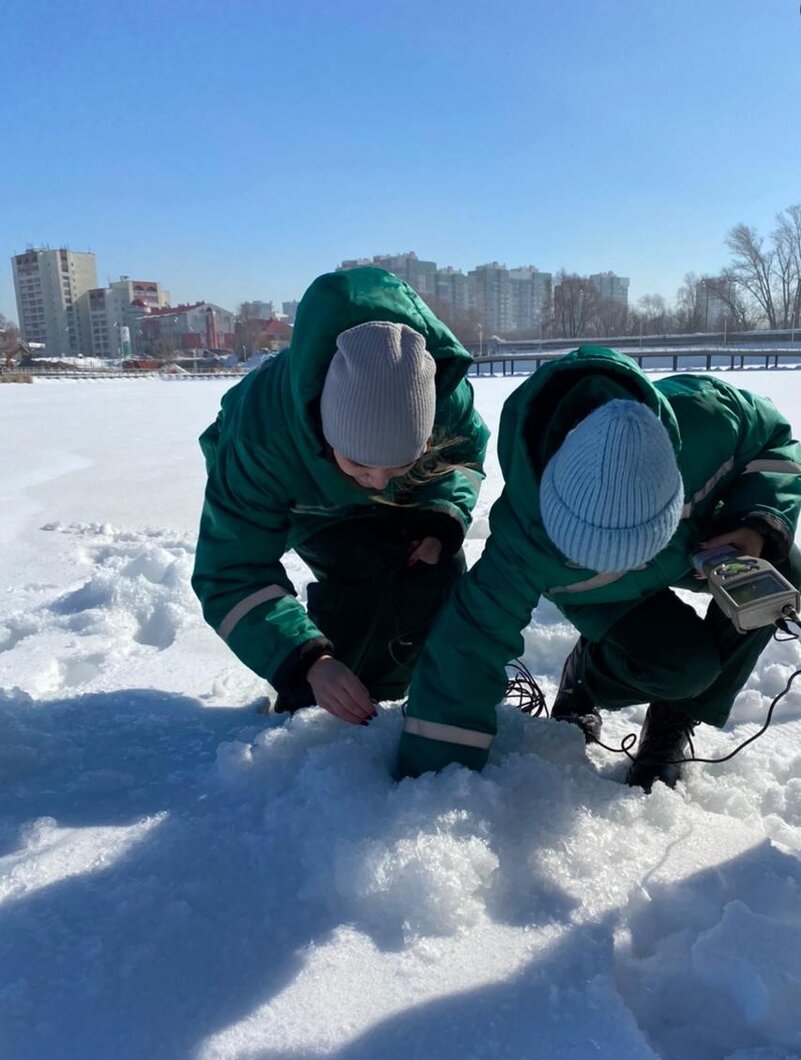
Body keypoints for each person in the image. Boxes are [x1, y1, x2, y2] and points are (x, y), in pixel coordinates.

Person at [397, 345, 801, 790]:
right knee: (685, 670)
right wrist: (430, 782)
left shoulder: (708, 417)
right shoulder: (526, 539)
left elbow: (776, 442)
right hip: (597, 593)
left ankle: (676, 716)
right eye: (597, 552)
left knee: (783, 572)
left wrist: (756, 521)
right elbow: (467, 647)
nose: (629, 565)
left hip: (694, 547)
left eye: (638, 545)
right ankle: (586, 680)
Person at [192, 266, 489, 724]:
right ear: (326, 434)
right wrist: (310, 662)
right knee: (361, 570)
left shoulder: (443, 396)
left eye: (399, 465)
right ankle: (317, 711)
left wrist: (440, 512)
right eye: (360, 465)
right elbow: (231, 571)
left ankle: (390, 697)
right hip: (308, 492)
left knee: (437, 571)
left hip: (401, 491)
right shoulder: (260, 437)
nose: (378, 484)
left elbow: (464, 458)